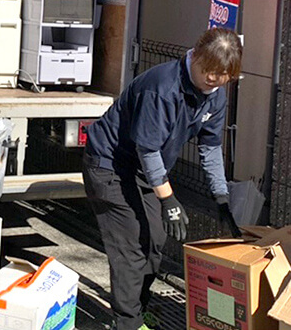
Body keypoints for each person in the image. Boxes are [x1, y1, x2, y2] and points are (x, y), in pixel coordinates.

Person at [82, 28, 243, 330]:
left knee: (155, 241)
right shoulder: (162, 88)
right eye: (207, 69)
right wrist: (167, 198)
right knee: (131, 247)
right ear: (194, 56)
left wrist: (220, 197)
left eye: (222, 74)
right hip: (110, 166)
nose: (212, 79)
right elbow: (148, 147)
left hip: (144, 173)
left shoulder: (215, 97)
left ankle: (137, 312)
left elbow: (209, 147)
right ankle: (127, 323)